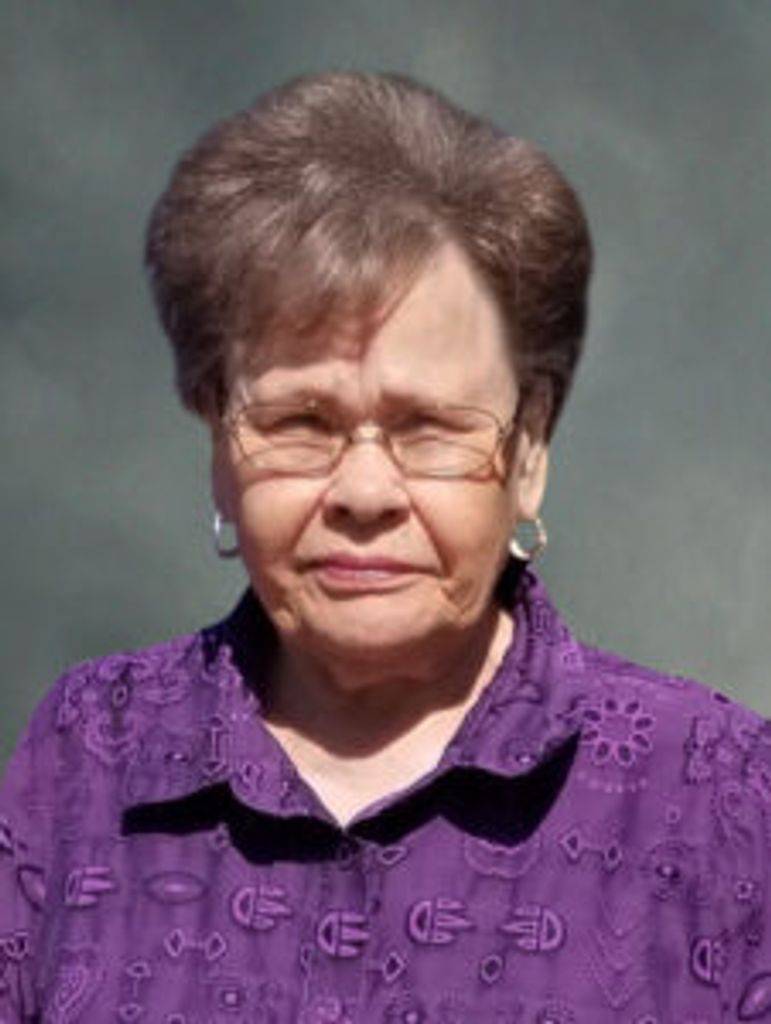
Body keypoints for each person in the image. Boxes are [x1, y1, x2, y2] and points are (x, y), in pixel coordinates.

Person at [1, 71, 769, 1024]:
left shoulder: (719, 793)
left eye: (427, 427)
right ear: (217, 446)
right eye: (300, 422)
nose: (363, 494)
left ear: (528, 452)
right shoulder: (92, 753)